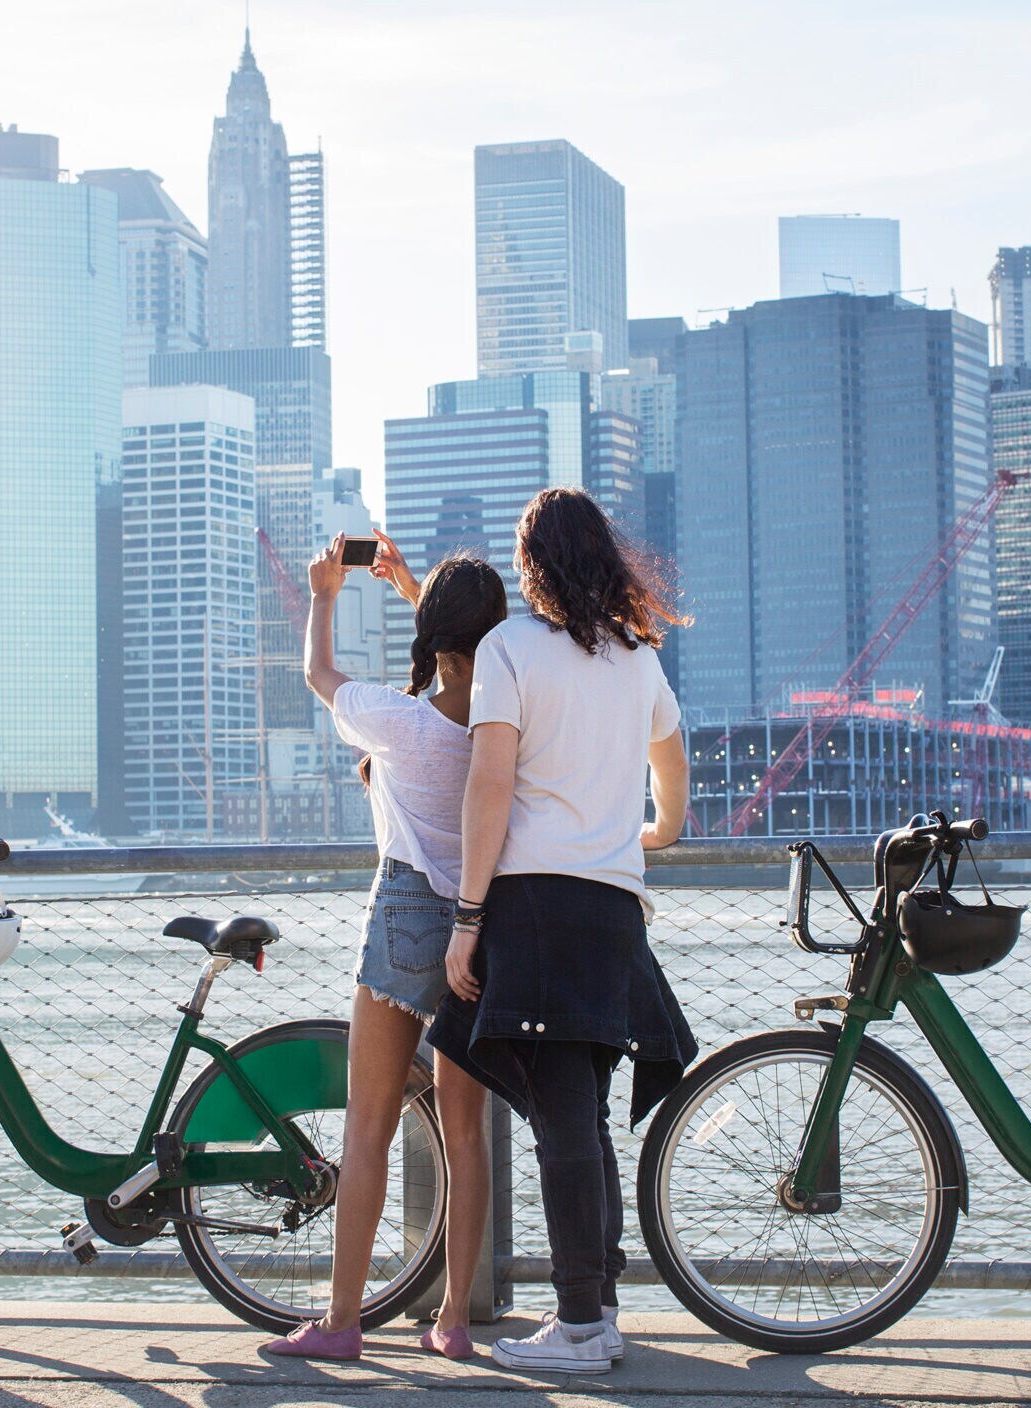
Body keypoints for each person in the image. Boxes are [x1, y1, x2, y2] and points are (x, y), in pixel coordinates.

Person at [428, 488, 696, 1375]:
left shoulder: (510, 651)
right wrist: (646, 835)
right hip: (613, 910)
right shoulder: (638, 659)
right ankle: (598, 1309)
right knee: (576, 1113)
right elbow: (674, 783)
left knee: (564, 1124)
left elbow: (490, 786)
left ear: (534, 566)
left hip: (535, 906)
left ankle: (582, 1325)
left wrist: (467, 921)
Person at [263, 531, 506, 1363]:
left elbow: (319, 675)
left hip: (405, 914)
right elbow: (478, 656)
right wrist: (419, 590)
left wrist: (327, 594)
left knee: (367, 1124)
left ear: (433, 639)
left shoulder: (400, 724)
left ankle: (340, 1324)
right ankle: (456, 1325)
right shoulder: (510, 724)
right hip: (482, 926)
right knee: (467, 1134)